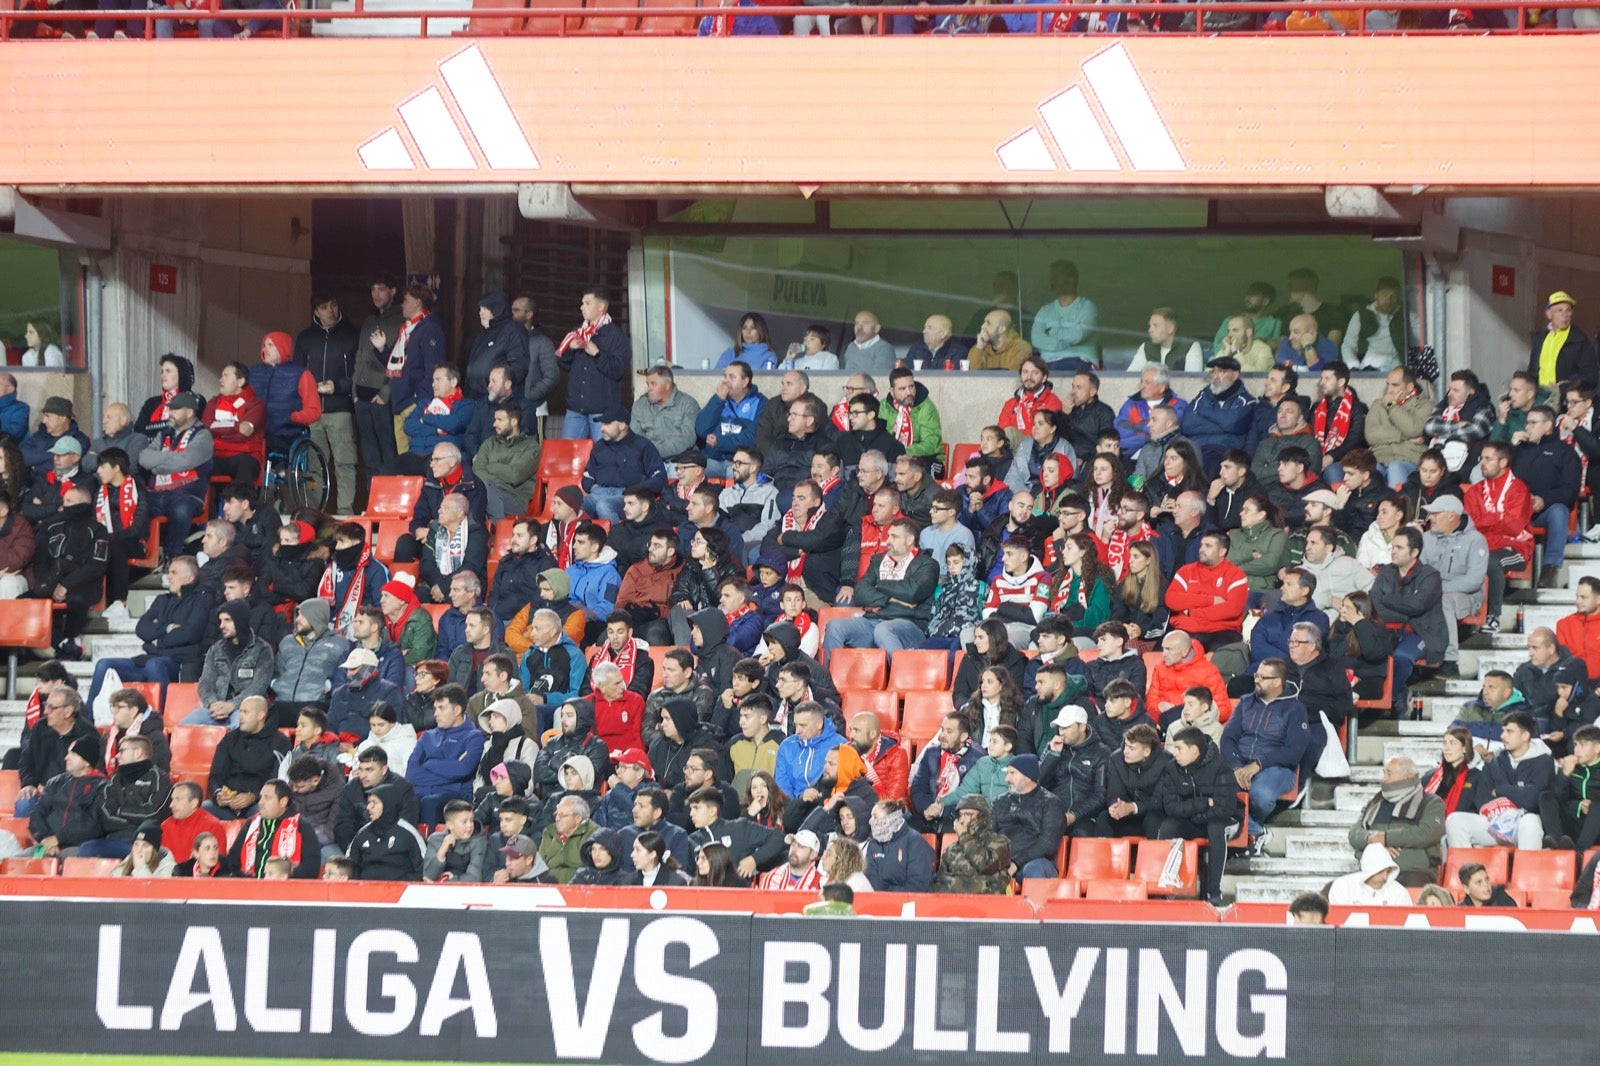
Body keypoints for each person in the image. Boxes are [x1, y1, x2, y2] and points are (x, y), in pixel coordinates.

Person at [1221, 657, 1308, 851]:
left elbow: (1293, 751)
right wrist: (1236, 766)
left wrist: (1258, 764)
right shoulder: (1246, 702)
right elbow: (1228, 738)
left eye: (1262, 676)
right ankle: (1255, 830)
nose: (1256, 679)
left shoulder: (1295, 709)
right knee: (1215, 788)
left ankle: (1247, 831)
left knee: (1260, 795)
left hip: (1276, 768)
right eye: (1256, 675)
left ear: (1277, 681)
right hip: (1241, 764)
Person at [1444, 712, 1555, 851]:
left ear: (1525, 736)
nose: (1502, 736)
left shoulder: (1543, 761)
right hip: (1494, 822)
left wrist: (1501, 790)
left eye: (1509, 731)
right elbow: (1481, 799)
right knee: (1455, 820)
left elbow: (1531, 800)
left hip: (1522, 824)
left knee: (1530, 823)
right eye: (1503, 731)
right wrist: (1516, 795)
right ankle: (1469, 871)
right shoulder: (1495, 762)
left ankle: (1526, 872)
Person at [1158, 727, 1238, 905]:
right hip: (1192, 818)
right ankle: (1165, 887)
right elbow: (1170, 807)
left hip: (1220, 821)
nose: (1174, 753)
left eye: (1179, 749)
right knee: (1168, 826)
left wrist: (1194, 814)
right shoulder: (1172, 769)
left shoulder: (1220, 767)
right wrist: (1202, 804)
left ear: (1194, 749)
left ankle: (1214, 891)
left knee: (1216, 829)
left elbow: (1224, 808)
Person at [1350, 756, 1445, 887]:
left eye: (1389, 773)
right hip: (1372, 872)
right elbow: (1354, 833)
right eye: (1383, 773)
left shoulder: (1431, 803)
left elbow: (1426, 833)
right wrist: (1375, 844)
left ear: (1408, 775)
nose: (1384, 779)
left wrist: (1386, 838)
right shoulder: (1375, 803)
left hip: (1412, 873)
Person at [142, 391, 213, 557]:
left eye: (175, 409)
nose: (170, 413)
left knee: (181, 509)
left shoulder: (203, 435)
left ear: (189, 412)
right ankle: (142, 553)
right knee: (137, 502)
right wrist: (171, 457)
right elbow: (144, 458)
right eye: (170, 409)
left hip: (187, 495)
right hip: (156, 493)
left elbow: (185, 461)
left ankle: (173, 556)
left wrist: (157, 465)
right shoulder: (163, 433)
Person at [1166, 531, 1249, 648]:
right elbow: (1171, 599)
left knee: (1222, 655)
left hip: (1222, 631)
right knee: (1158, 654)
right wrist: (1211, 600)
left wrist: (1192, 612)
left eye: (1208, 546)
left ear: (1222, 552)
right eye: (1201, 545)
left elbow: (1232, 609)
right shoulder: (1186, 571)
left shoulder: (1236, 575)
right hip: (1186, 629)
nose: (1201, 549)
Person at [1366, 367, 1433, 490]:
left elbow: (1413, 429)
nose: (1389, 390)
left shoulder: (1425, 405)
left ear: (1409, 387)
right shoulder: (1377, 405)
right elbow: (1371, 435)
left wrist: (1391, 406)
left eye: (1395, 385)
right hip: (1379, 458)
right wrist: (1405, 436)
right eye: (1388, 385)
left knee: (1395, 467)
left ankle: (1398, 507)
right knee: (1367, 471)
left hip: (1409, 459)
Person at [349, 782, 426, 882]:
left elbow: (423, 870)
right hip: (366, 891)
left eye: (375, 803)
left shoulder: (408, 833)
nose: (368, 807)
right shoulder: (362, 833)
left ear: (388, 804)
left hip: (401, 892)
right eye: (368, 802)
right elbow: (349, 866)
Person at [1528, 290, 1598, 389]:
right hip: (1540, 395)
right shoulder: (1540, 339)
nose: (1565, 315)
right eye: (1559, 310)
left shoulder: (1580, 340)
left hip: (1566, 398)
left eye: (1568, 310)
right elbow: (1532, 371)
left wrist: (1567, 385)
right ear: (1549, 314)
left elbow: (1591, 376)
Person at [1341, 276, 1406, 373]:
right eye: (1384, 295)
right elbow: (1348, 345)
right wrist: (1354, 367)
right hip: (1370, 368)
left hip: (1398, 369)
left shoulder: (1406, 316)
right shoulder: (1361, 315)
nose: (1388, 301)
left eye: (1393, 296)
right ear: (1376, 295)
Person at [423, 799, 489, 883]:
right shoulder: (435, 840)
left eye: (471, 820)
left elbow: (474, 878)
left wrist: (443, 881)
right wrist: (442, 850)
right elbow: (428, 876)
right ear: (450, 825)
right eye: (464, 822)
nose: (469, 826)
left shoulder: (479, 841)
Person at [1327, 843, 1413, 906]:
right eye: (1380, 871)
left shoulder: (1399, 892)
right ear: (1368, 869)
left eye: (1388, 871)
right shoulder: (1343, 886)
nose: (1385, 877)